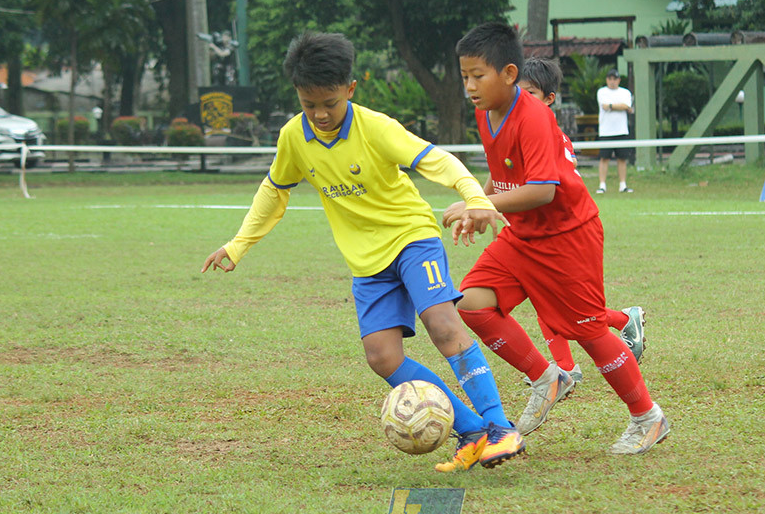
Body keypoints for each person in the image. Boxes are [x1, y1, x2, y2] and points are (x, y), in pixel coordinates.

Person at [201, 31, 525, 473]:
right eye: (309, 104)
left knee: (443, 325)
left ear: (350, 89)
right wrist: (238, 244)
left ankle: (500, 427)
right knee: (382, 357)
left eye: (330, 103)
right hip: (367, 262)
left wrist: (475, 197)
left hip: (411, 238)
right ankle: (472, 432)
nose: (320, 114)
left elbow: (437, 160)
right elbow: (274, 191)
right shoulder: (294, 137)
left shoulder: (375, 128)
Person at [445, 22, 668, 453]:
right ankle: (548, 377)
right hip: (524, 235)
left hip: (568, 236)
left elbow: (543, 190)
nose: (469, 86)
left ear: (509, 74)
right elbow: (503, 171)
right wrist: (483, 202)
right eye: (464, 76)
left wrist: (480, 205)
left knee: (588, 331)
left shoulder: (534, 116)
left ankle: (648, 417)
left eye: (478, 76)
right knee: (471, 302)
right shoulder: (485, 112)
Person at [517, 57, 647, 381]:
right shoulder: (528, 127)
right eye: (518, 93)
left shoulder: (542, 131)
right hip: (548, 229)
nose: (521, 100)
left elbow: (545, 187)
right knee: (547, 298)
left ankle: (621, 323)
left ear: (549, 98)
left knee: (576, 312)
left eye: (530, 93)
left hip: (571, 229)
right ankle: (565, 365)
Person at [596, 68, 635, 194]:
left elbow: (627, 106)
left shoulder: (625, 92)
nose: (612, 81)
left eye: (615, 79)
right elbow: (604, 106)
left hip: (621, 131)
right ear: (607, 80)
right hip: (606, 132)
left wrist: (612, 106)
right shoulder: (602, 92)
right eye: (610, 79)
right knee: (604, 158)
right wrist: (619, 106)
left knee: (622, 158)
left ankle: (623, 185)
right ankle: (602, 185)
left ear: (619, 80)